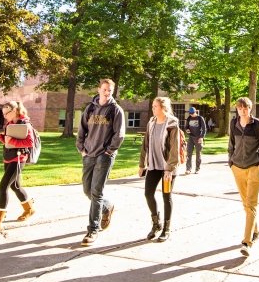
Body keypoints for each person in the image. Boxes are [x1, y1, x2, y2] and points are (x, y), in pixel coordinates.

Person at [76, 78, 126, 246]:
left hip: (104, 155)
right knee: (87, 190)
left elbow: (119, 134)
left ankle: (92, 230)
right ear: (99, 90)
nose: (107, 92)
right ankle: (107, 207)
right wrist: (81, 148)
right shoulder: (90, 108)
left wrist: (109, 151)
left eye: (110, 90)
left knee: (96, 192)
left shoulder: (115, 110)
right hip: (88, 154)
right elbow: (82, 129)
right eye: (104, 89)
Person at [0, 101, 38, 233]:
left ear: (15, 110)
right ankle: (29, 209)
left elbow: (29, 142)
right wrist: (0, 136)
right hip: (8, 157)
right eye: (4, 113)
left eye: (7, 113)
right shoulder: (11, 123)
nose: (4, 116)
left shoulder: (25, 124)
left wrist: (12, 141)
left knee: (3, 185)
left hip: (18, 159)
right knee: (15, 185)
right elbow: (7, 141)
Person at [228, 97, 259, 257]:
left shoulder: (258, 125)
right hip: (237, 167)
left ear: (250, 109)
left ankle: (247, 242)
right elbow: (231, 144)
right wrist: (230, 162)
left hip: (253, 168)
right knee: (245, 204)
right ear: (237, 110)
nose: (242, 111)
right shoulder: (234, 123)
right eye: (240, 108)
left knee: (251, 205)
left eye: (245, 108)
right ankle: (256, 230)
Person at [138, 97, 182, 242]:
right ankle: (156, 224)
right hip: (153, 165)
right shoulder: (151, 122)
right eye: (153, 106)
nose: (153, 108)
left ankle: (166, 229)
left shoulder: (172, 123)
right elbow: (145, 145)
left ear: (163, 108)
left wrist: (169, 169)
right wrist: (141, 164)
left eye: (156, 106)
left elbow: (175, 148)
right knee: (148, 194)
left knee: (166, 196)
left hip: (168, 167)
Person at [183, 107, 207, 175]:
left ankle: (197, 169)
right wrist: (187, 130)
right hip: (191, 137)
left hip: (198, 138)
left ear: (195, 112)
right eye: (190, 113)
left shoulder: (200, 118)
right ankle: (188, 169)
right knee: (188, 153)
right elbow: (186, 127)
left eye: (193, 113)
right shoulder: (189, 118)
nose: (191, 115)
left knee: (198, 153)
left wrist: (201, 137)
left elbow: (204, 129)